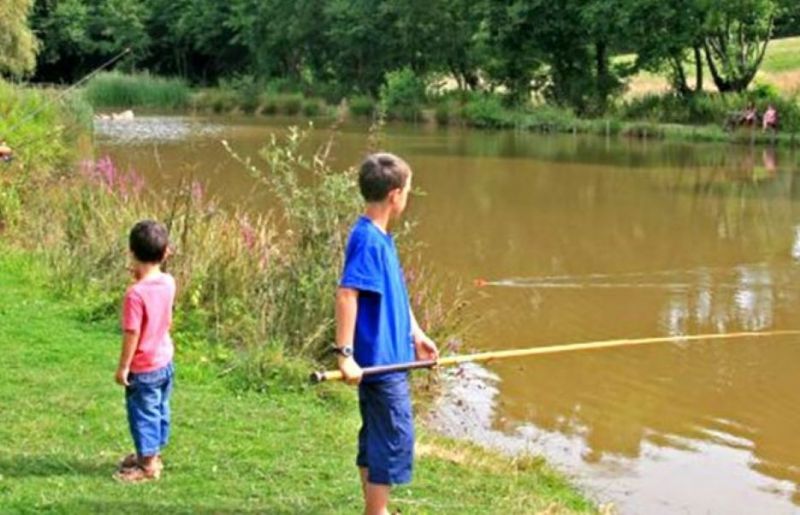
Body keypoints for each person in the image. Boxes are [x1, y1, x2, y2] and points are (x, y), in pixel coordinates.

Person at [335, 153, 439, 515]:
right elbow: (348, 293)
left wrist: (416, 333)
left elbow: (394, 292)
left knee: (377, 437)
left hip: (393, 358)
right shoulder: (367, 239)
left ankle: (373, 509)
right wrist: (345, 355)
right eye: (408, 189)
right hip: (380, 365)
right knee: (393, 439)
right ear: (395, 195)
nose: (409, 196)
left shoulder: (381, 238)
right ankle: (376, 511)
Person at [114, 220, 176, 482]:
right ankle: (150, 452)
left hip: (144, 367)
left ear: (131, 251)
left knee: (142, 413)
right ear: (166, 253)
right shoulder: (169, 282)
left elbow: (133, 333)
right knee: (159, 407)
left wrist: (124, 367)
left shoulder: (135, 295)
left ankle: (147, 466)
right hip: (165, 360)